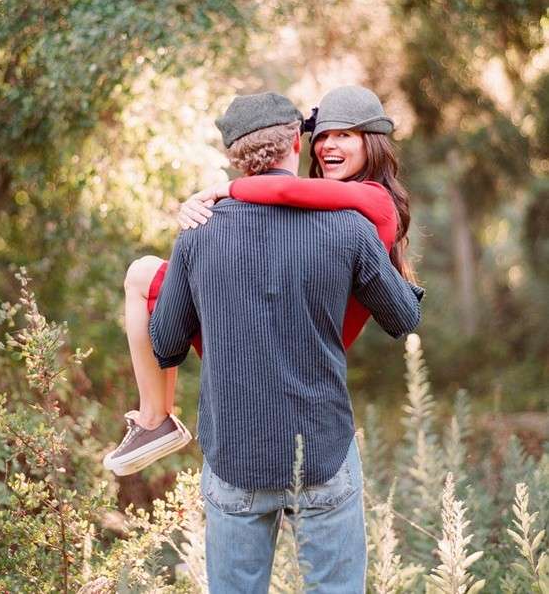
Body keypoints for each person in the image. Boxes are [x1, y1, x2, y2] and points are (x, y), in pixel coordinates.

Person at [149, 91, 423, 593]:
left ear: (234, 155)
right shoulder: (349, 228)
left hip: (235, 455)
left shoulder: (197, 233)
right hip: (322, 450)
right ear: (297, 142)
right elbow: (403, 318)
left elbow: (165, 343)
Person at [103, 86, 414, 476]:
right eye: (322, 136)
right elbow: (285, 198)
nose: (328, 146)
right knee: (144, 273)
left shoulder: (373, 198)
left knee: (142, 273)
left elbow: (284, 187)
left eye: (345, 135)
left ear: (373, 144)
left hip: (306, 336)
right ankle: (156, 417)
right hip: (288, 331)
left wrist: (224, 190)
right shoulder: (333, 203)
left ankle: (155, 418)